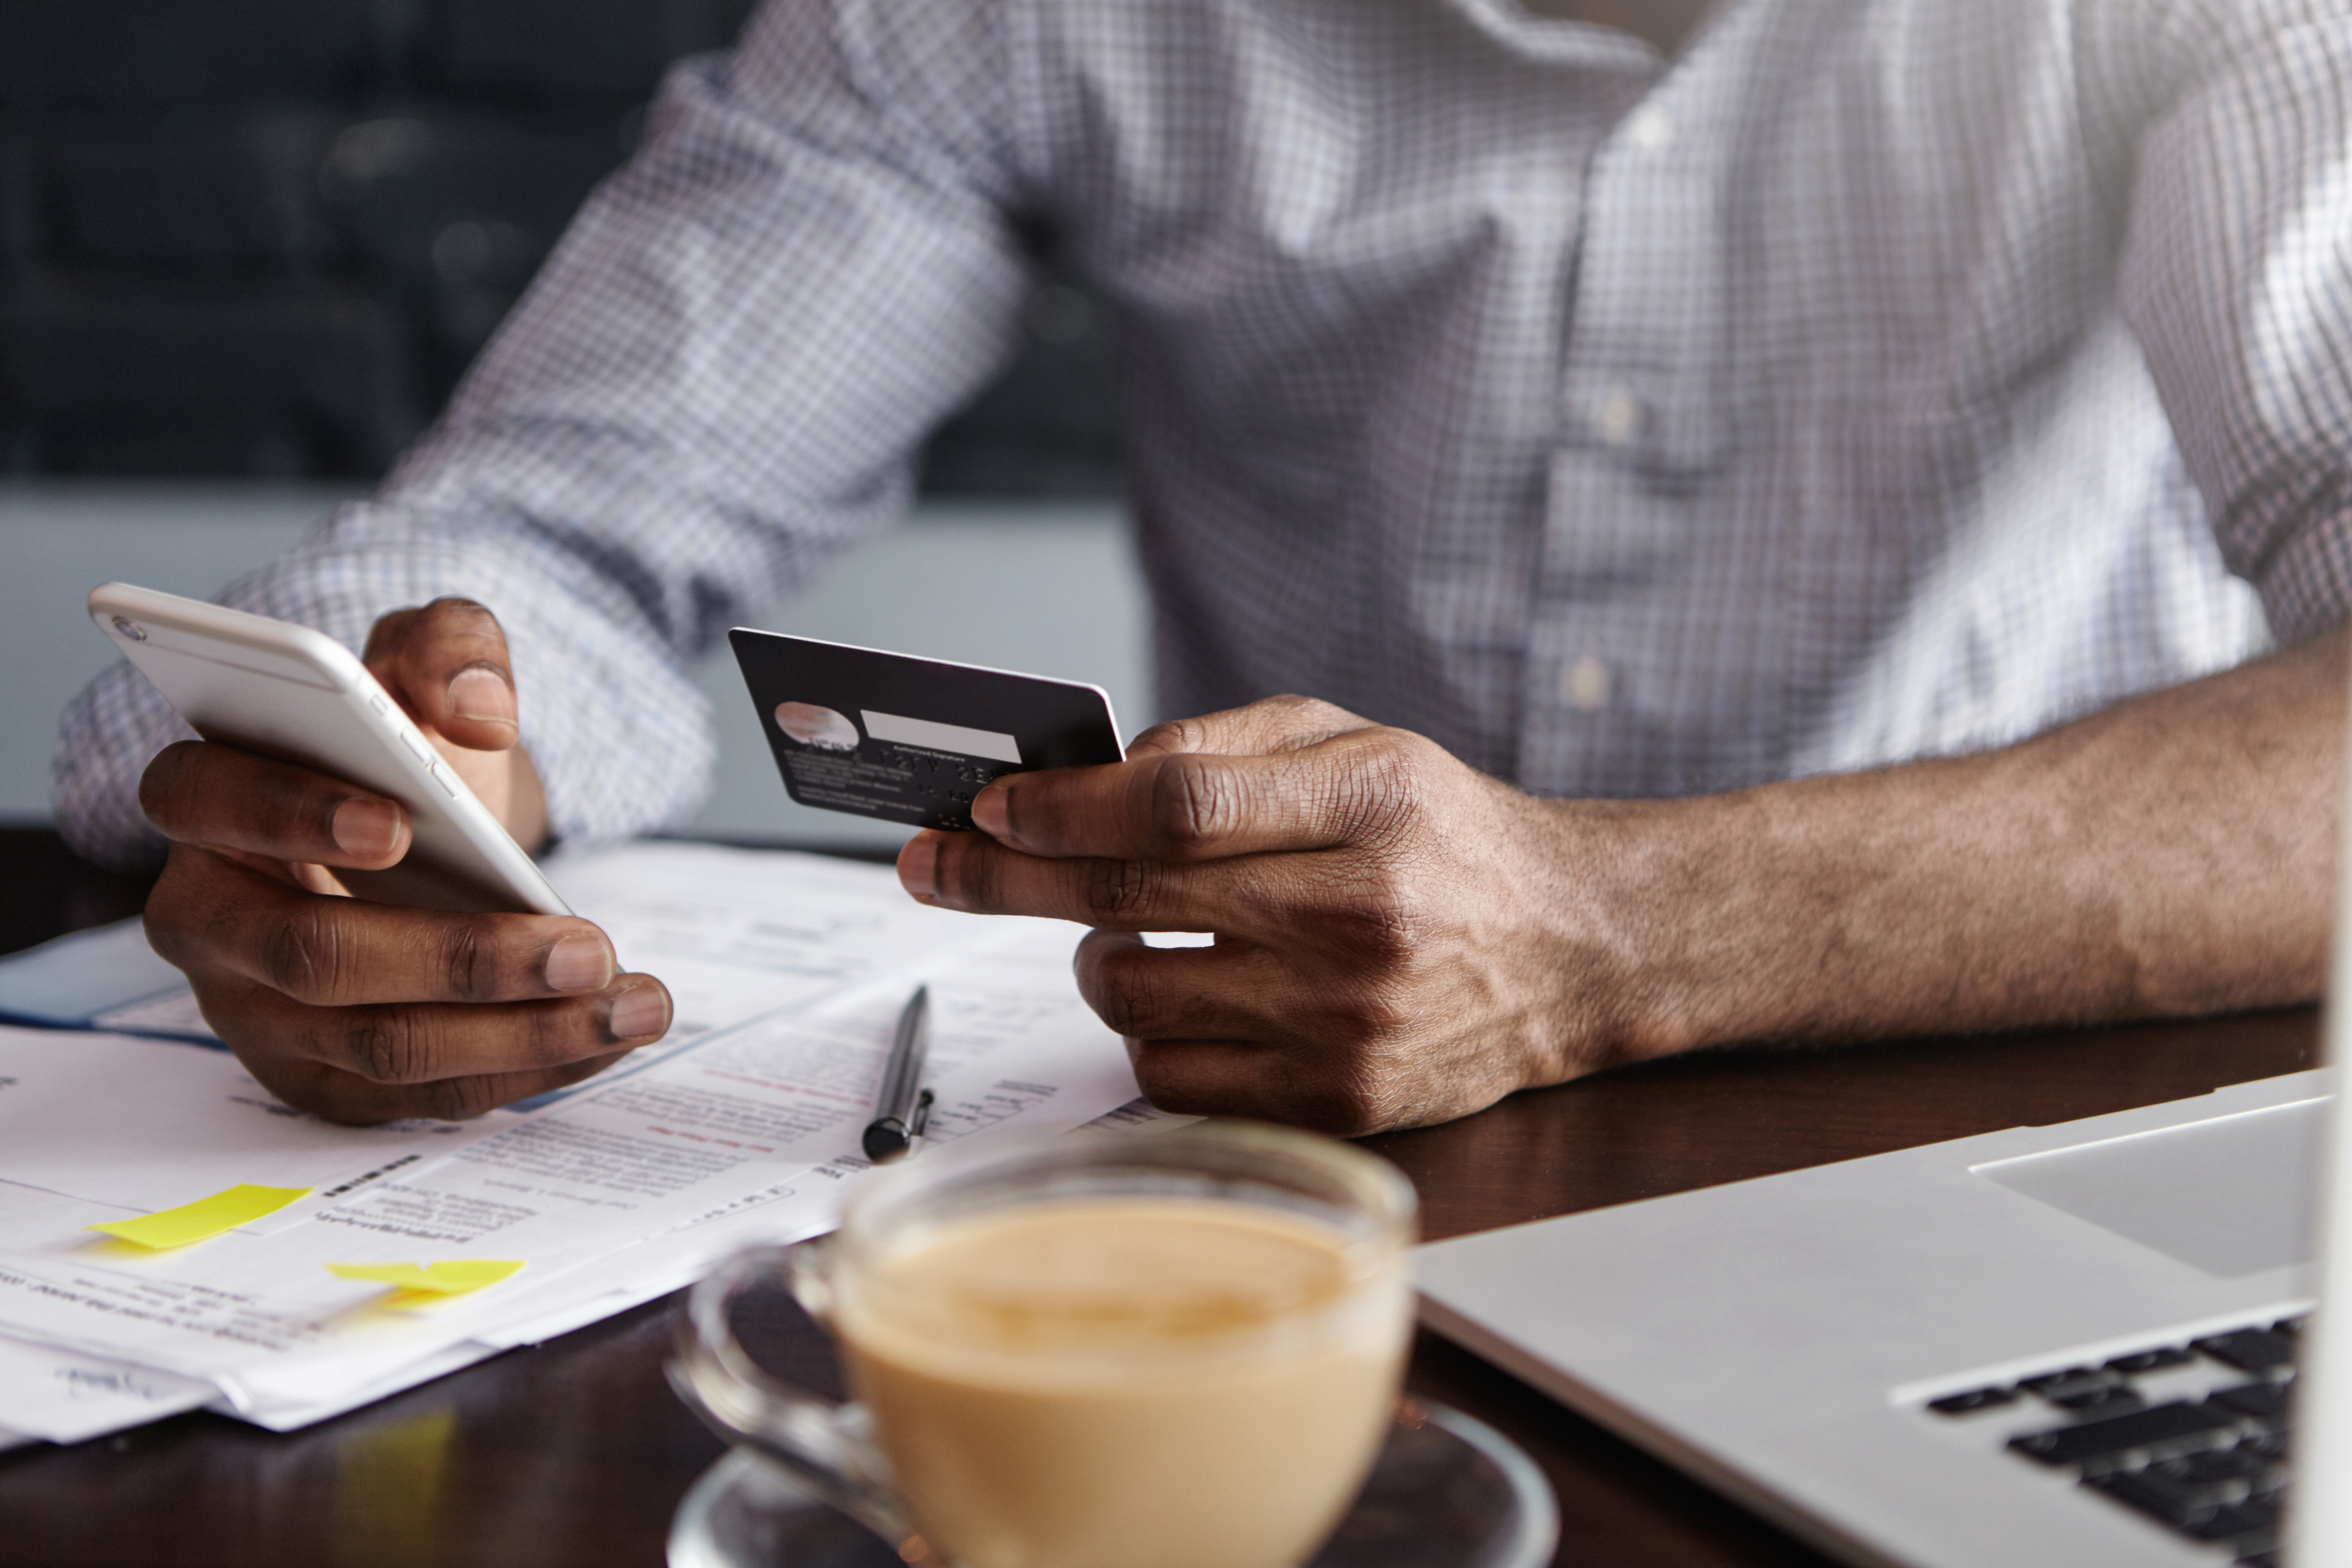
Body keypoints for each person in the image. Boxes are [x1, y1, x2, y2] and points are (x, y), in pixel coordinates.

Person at [55, 0, 2352, 1131]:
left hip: (2000, 1107)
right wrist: (412, 775)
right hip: (1261, 1158)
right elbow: (553, 528)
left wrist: (1617, 930)